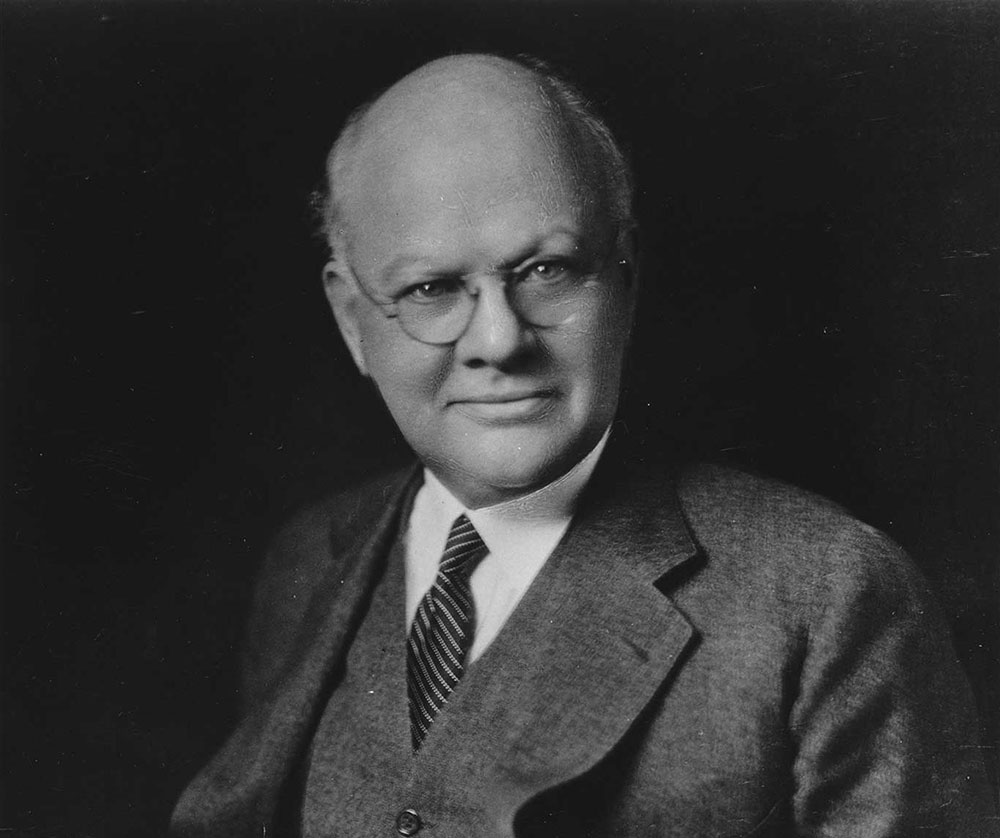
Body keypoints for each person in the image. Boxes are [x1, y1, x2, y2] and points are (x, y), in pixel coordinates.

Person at [171, 53, 996, 837]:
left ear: (626, 275)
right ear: (354, 323)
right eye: (431, 289)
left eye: (547, 271)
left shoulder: (828, 596)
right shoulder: (306, 562)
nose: (498, 340)